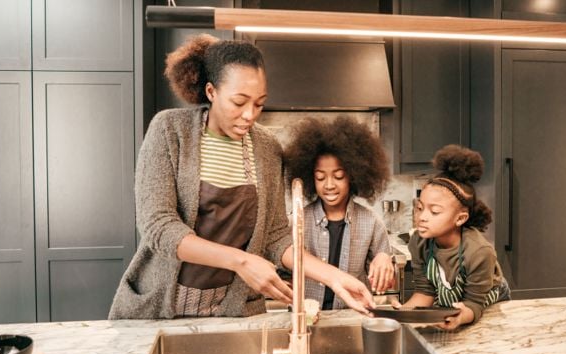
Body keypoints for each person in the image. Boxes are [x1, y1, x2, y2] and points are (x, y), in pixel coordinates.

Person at [108, 35, 374, 319]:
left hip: (231, 312)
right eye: (239, 102)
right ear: (211, 91)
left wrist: (333, 277)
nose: (250, 115)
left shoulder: (267, 147)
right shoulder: (170, 131)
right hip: (158, 309)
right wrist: (242, 262)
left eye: (259, 104)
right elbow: (159, 227)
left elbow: (275, 236)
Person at [283, 116, 394, 310]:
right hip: (307, 318)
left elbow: (385, 275)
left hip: (352, 315)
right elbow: (281, 265)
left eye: (338, 176)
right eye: (320, 177)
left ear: (353, 175)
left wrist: (385, 259)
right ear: (311, 178)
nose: (329, 185)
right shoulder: (298, 220)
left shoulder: (371, 223)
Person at [400, 144, 510, 329]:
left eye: (434, 211)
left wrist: (459, 317)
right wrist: (401, 314)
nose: (422, 217)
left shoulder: (479, 252)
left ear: (460, 218)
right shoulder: (419, 242)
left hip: (489, 312)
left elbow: (474, 304)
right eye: (420, 208)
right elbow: (425, 292)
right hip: (455, 310)